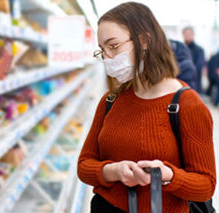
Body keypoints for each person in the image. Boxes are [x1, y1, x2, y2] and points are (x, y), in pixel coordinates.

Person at [77, 2, 216, 213]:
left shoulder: (187, 105)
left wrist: (167, 176)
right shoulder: (110, 100)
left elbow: (206, 186)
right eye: (102, 51)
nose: (107, 58)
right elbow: (84, 165)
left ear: (144, 41)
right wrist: (112, 170)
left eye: (113, 46)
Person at [182, 26, 205, 93]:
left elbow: (198, 67)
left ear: (193, 35)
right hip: (181, 83)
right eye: (186, 34)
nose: (187, 36)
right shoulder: (179, 49)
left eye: (189, 34)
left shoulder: (199, 50)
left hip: (194, 84)